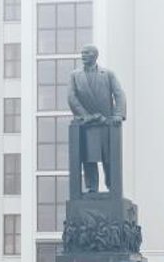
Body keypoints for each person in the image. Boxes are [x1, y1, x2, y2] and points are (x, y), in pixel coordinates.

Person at [67, 45, 127, 193]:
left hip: (106, 123)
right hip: (87, 124)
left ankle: (111, 186)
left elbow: (119, 94)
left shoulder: (107, 74)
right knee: (89, 157)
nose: (83, 55)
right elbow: (71, 97)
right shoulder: (75, 75)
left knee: (109, 158)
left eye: (86, 53)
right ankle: (91, 187)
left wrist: (118, 114)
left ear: (95, 55)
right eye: (82, 53)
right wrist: (85, 115)